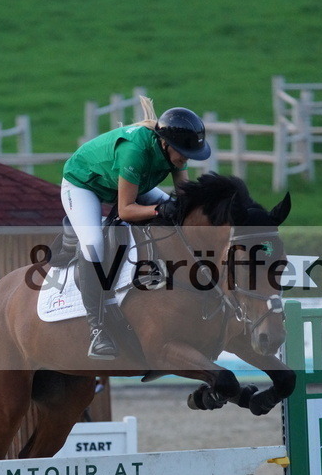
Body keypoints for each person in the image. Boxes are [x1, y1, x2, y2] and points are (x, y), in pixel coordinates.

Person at [61, 100, 211, 359]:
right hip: (83, 185)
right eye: (183, 153)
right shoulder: (135, 151)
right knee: (93, 243)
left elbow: (184, 201)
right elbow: (126, 210)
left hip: (128, 183)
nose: (185, 159)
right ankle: (97, 328)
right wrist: (158, 212)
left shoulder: (175, 151)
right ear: (165, 144)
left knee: (175, 213)